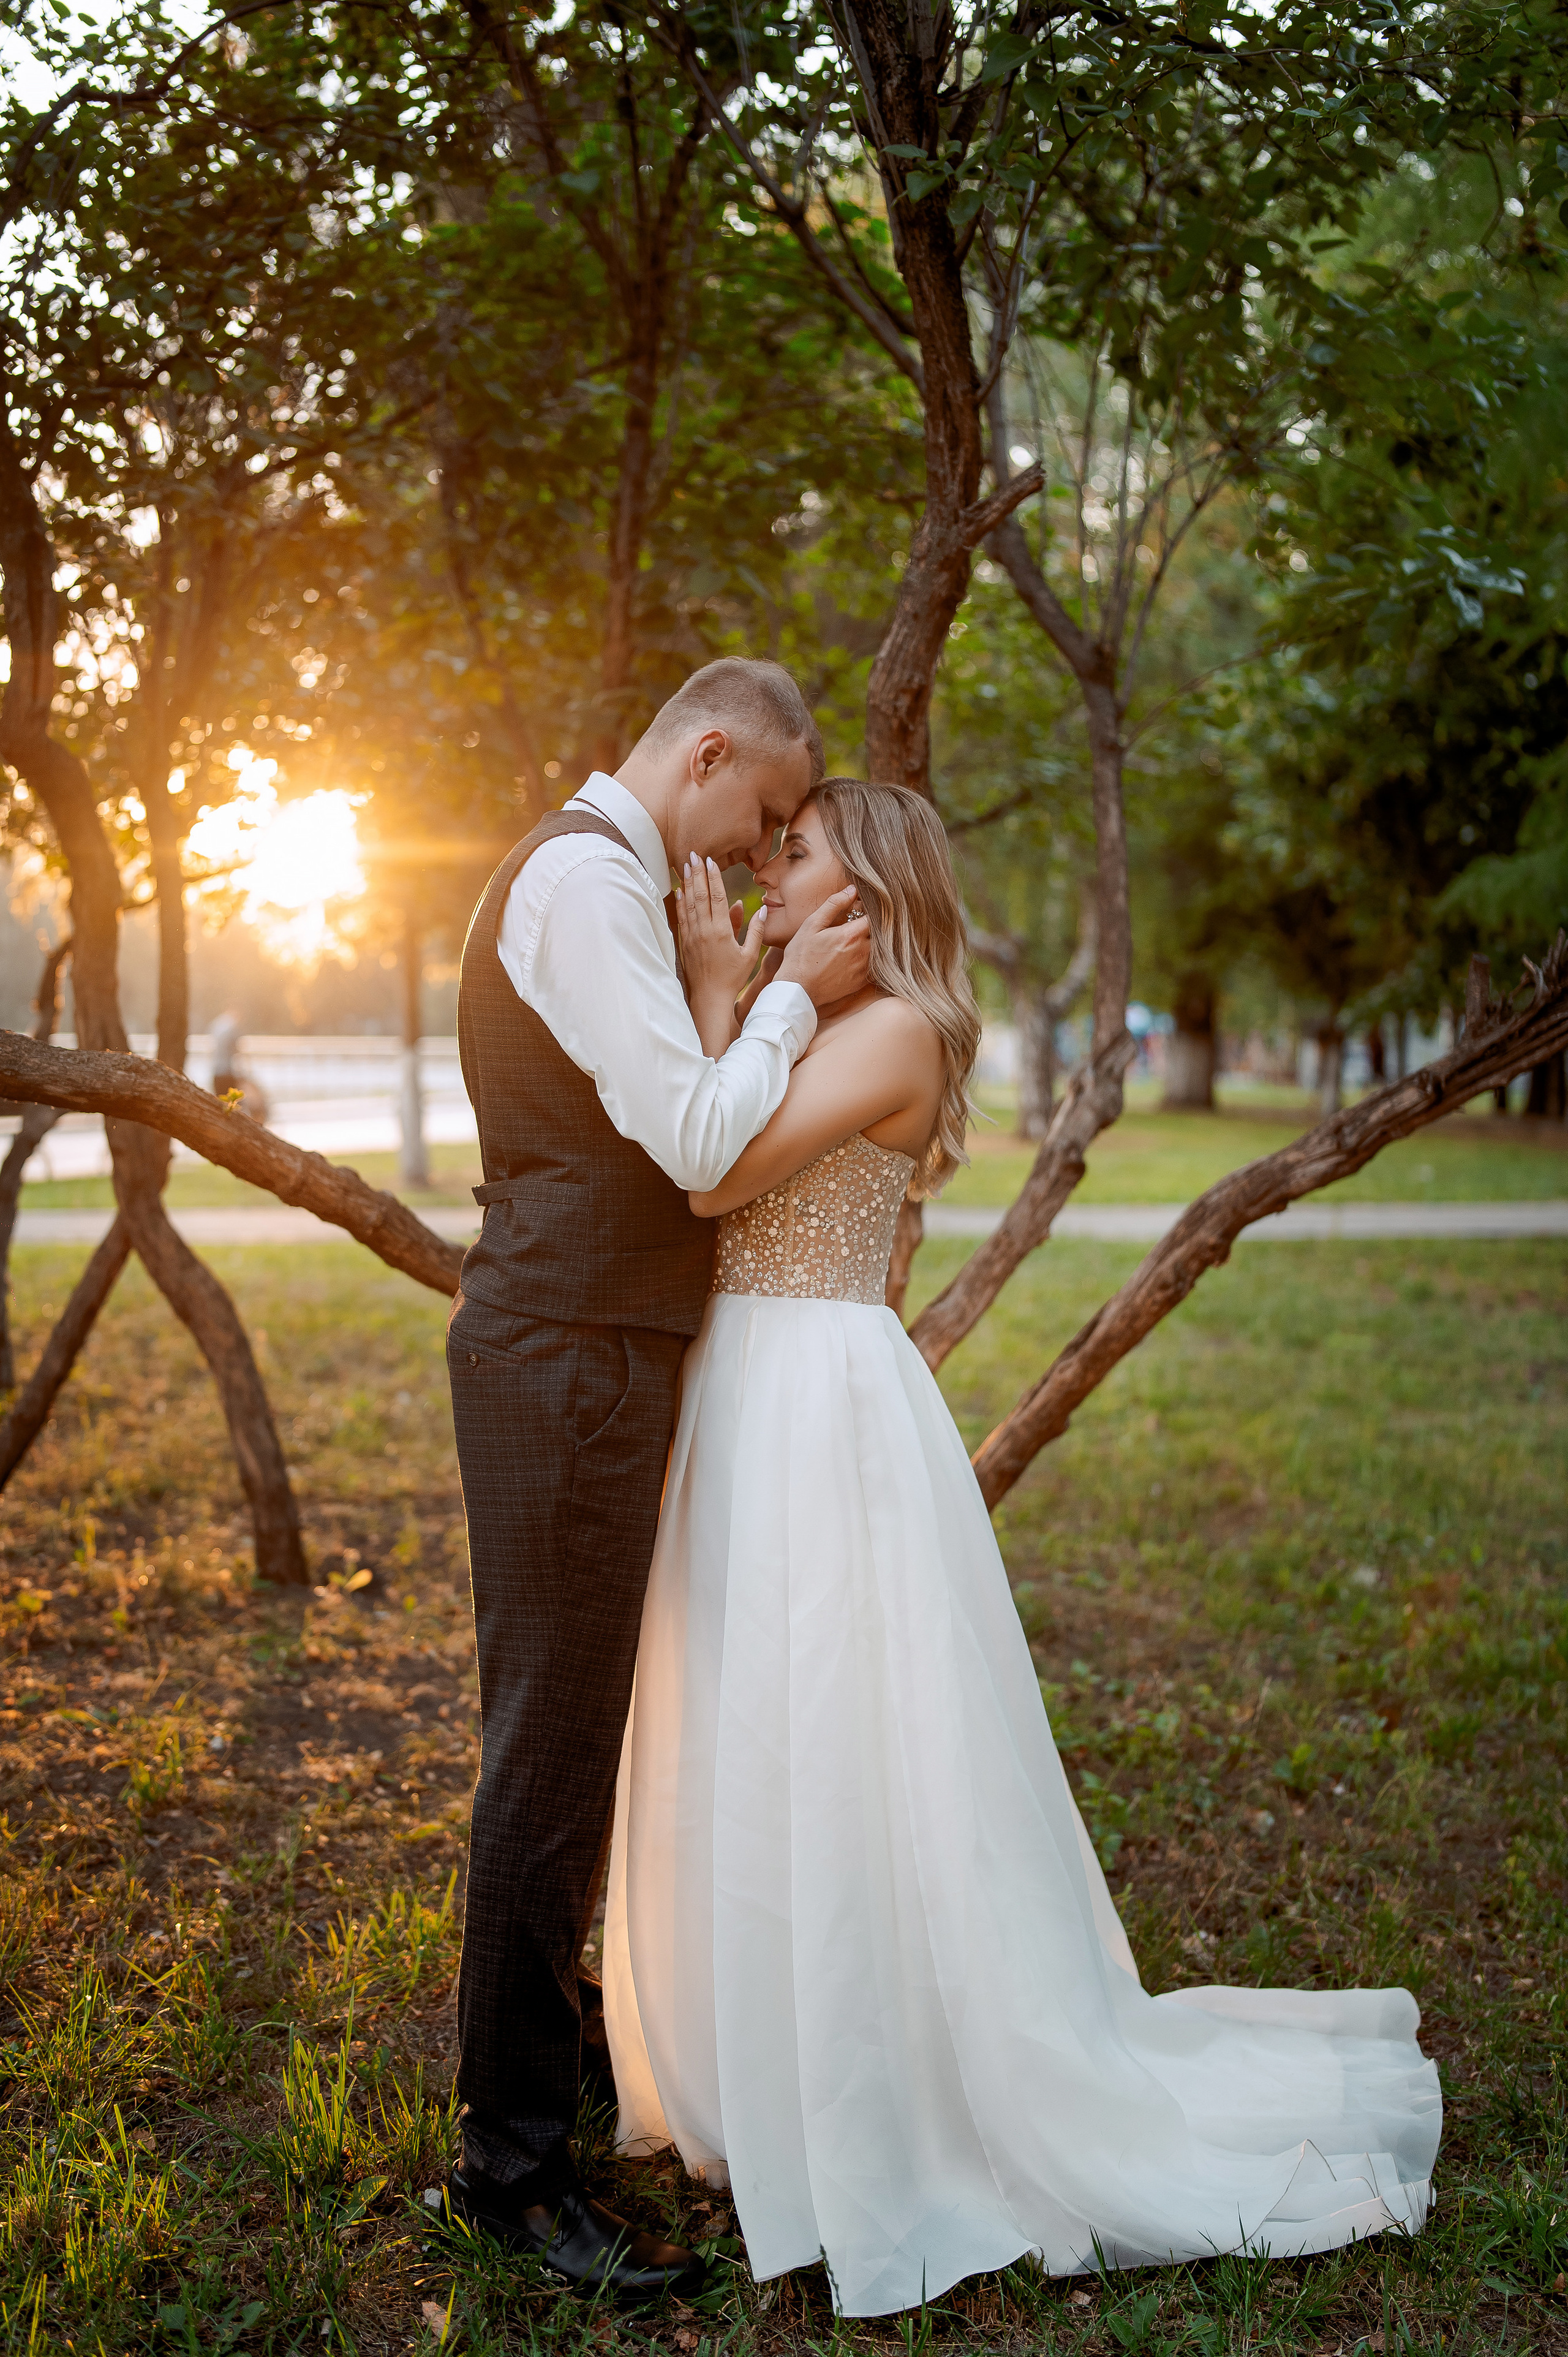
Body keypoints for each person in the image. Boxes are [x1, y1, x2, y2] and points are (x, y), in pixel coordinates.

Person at [602, 777, 1442, 2320]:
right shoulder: (812, 1013)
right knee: (751, 1725)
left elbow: (708, 1174)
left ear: (873, 897)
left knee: (847, 1736)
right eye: (775, 856)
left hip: (821, 1404)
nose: (770, 876)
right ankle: (759, 2064)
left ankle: (890, 2084)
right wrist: (739, 999)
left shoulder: (895, 1030)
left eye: (801, 861)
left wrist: (750, 996)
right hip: (747, 1391)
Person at [443, 662, 871, 2298]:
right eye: (765, 815)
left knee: (577, 1745)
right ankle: (506, 2172)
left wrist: (734, 976)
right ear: (706, 755)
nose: (769, 856)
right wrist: (780, 994)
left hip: (599, 1354)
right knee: (545, 1755)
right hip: (565, 1359)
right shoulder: (573, 880)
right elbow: (696, 1142)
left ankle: (565, 2087)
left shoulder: (617, 880)